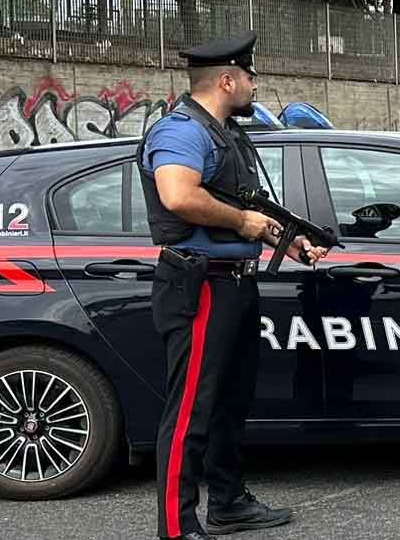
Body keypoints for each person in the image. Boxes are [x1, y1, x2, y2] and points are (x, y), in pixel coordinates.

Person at [139, 31, 329, 540]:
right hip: (200, 285)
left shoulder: (224, 133)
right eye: (249, 76)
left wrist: (288, 242)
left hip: (235, 284)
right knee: (191, 410)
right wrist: (244, 223)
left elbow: (245, 209)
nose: (255, 85)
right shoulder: (182, 132)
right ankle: (177, 528)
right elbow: (179, 196)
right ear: (227, 80)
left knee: (229, 401)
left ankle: (227, 503)